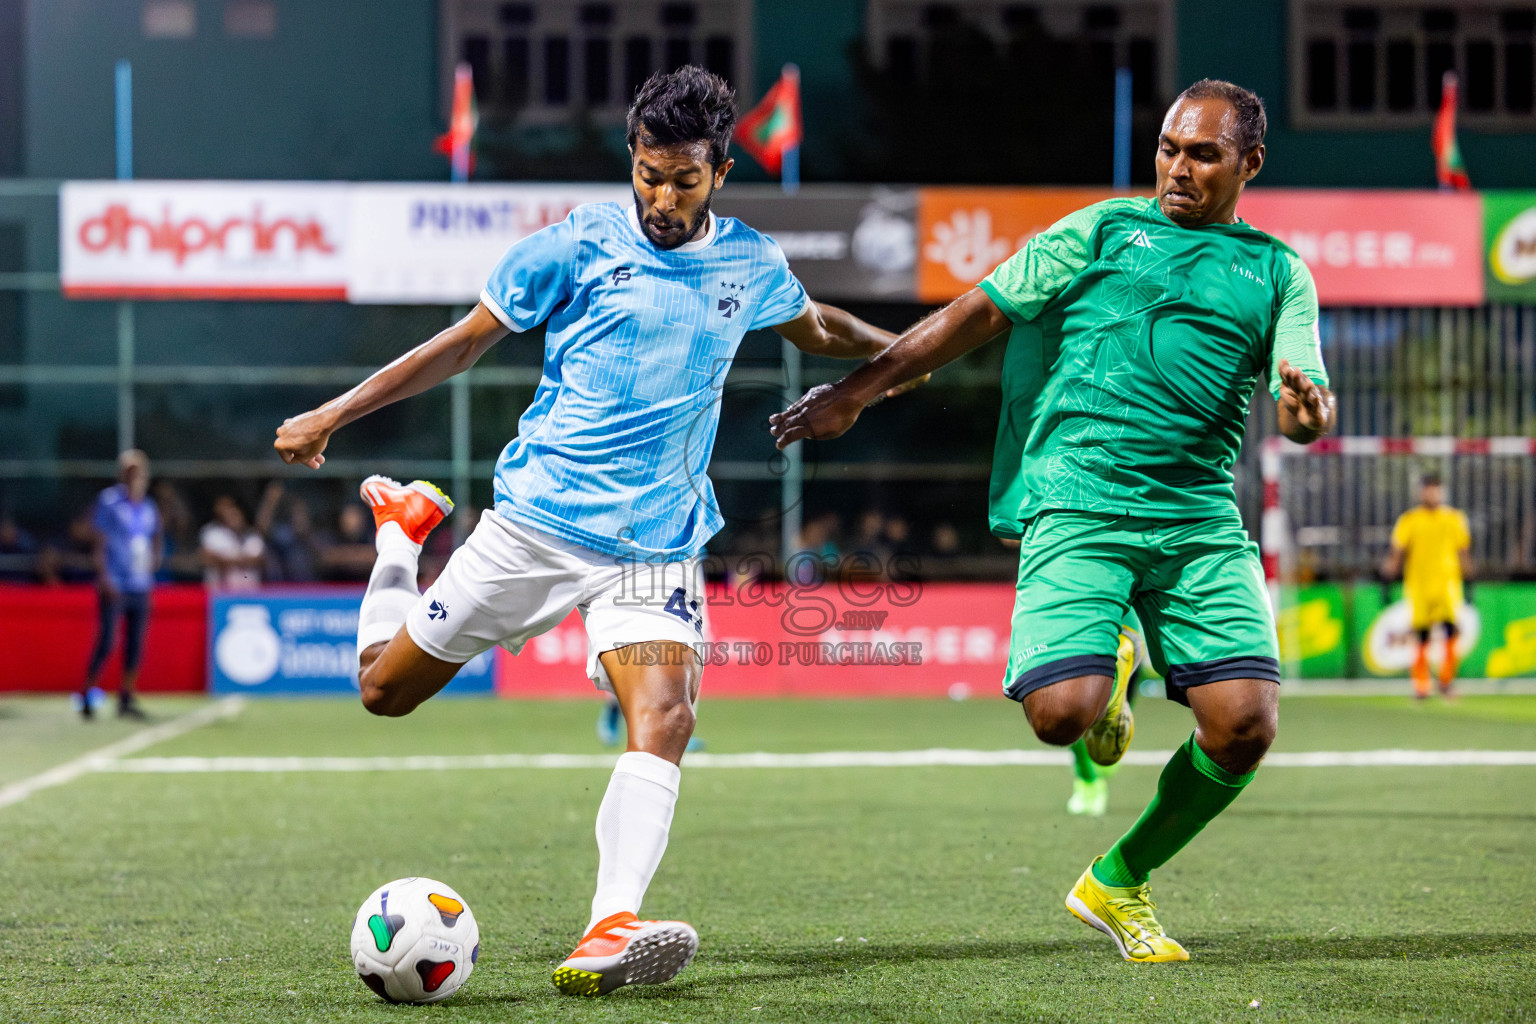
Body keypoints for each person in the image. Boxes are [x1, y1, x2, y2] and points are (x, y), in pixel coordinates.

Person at [272, 66, 913, 996]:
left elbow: (816, 325)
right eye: (648, 173)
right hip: (538, 525)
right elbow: (460, 343)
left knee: (667, 716)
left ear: (721, 171)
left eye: (683, 178)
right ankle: (401, 537)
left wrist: (901, 356)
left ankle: (610, 924)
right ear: (633, 158)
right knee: (383, 691)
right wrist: (335, 414)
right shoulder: (574, 246)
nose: (662, 195)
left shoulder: (749, 261)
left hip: (656, 543)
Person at [771, 79, 1335, 962]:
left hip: (1195, 519)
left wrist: (1305, 409)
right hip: (1077, 499)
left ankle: (1118, 880)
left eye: (1205, 155)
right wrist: (855, 393)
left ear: (1250, 164)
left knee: (1246, 724)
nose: (1179, 169)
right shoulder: (1102, 230)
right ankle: (1108, 667)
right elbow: (979, 310)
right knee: (1060, 717)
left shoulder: (1275, 273)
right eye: (1169, 148)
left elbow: (1303, 403)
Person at [78, 450, 161, 720]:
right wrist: (104, 576)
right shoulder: (110, 502)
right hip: (115, 581)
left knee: (136, 643)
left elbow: (155, 538)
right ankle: (87, 692)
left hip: (139, 583)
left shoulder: (148, 506)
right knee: (108, 640)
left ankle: (126, 696)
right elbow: (99, 542)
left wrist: (153, 564)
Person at [1381, 472, 1472, 699]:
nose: (1432, 493)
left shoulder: (1454, 519)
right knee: (1421, 635)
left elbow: (1463, 553)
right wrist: (1387, 581)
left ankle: (1446, 681)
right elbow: (1396, 553)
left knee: (1451, 632)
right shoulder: (1410, 520)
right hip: (1419, 587)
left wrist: (1470, 581)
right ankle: (1422, 686)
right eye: (1428, 488)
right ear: (1420, 491)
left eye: (1436, 488)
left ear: (1442, 491)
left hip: (1448, 586)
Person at [199, 495, 264, 590]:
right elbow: (207, 559)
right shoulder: (211, 532)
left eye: (236, 515)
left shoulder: (253, 536)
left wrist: (225, 560)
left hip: (249, 593)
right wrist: (242, 560)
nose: (234, 518)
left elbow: (259, 561)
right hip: (219, 592)